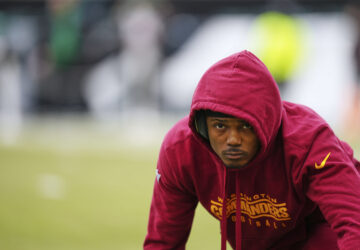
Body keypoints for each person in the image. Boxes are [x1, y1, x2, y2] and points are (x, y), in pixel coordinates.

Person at [143, 50, 360, 249]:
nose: (233, 139)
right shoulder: (181, 150)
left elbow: (354, 226)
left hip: (321, 232)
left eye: (246, 126)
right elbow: (163, 242)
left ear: (267, 121)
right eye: (220, 126)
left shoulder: (309, 142)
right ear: (202, 126)